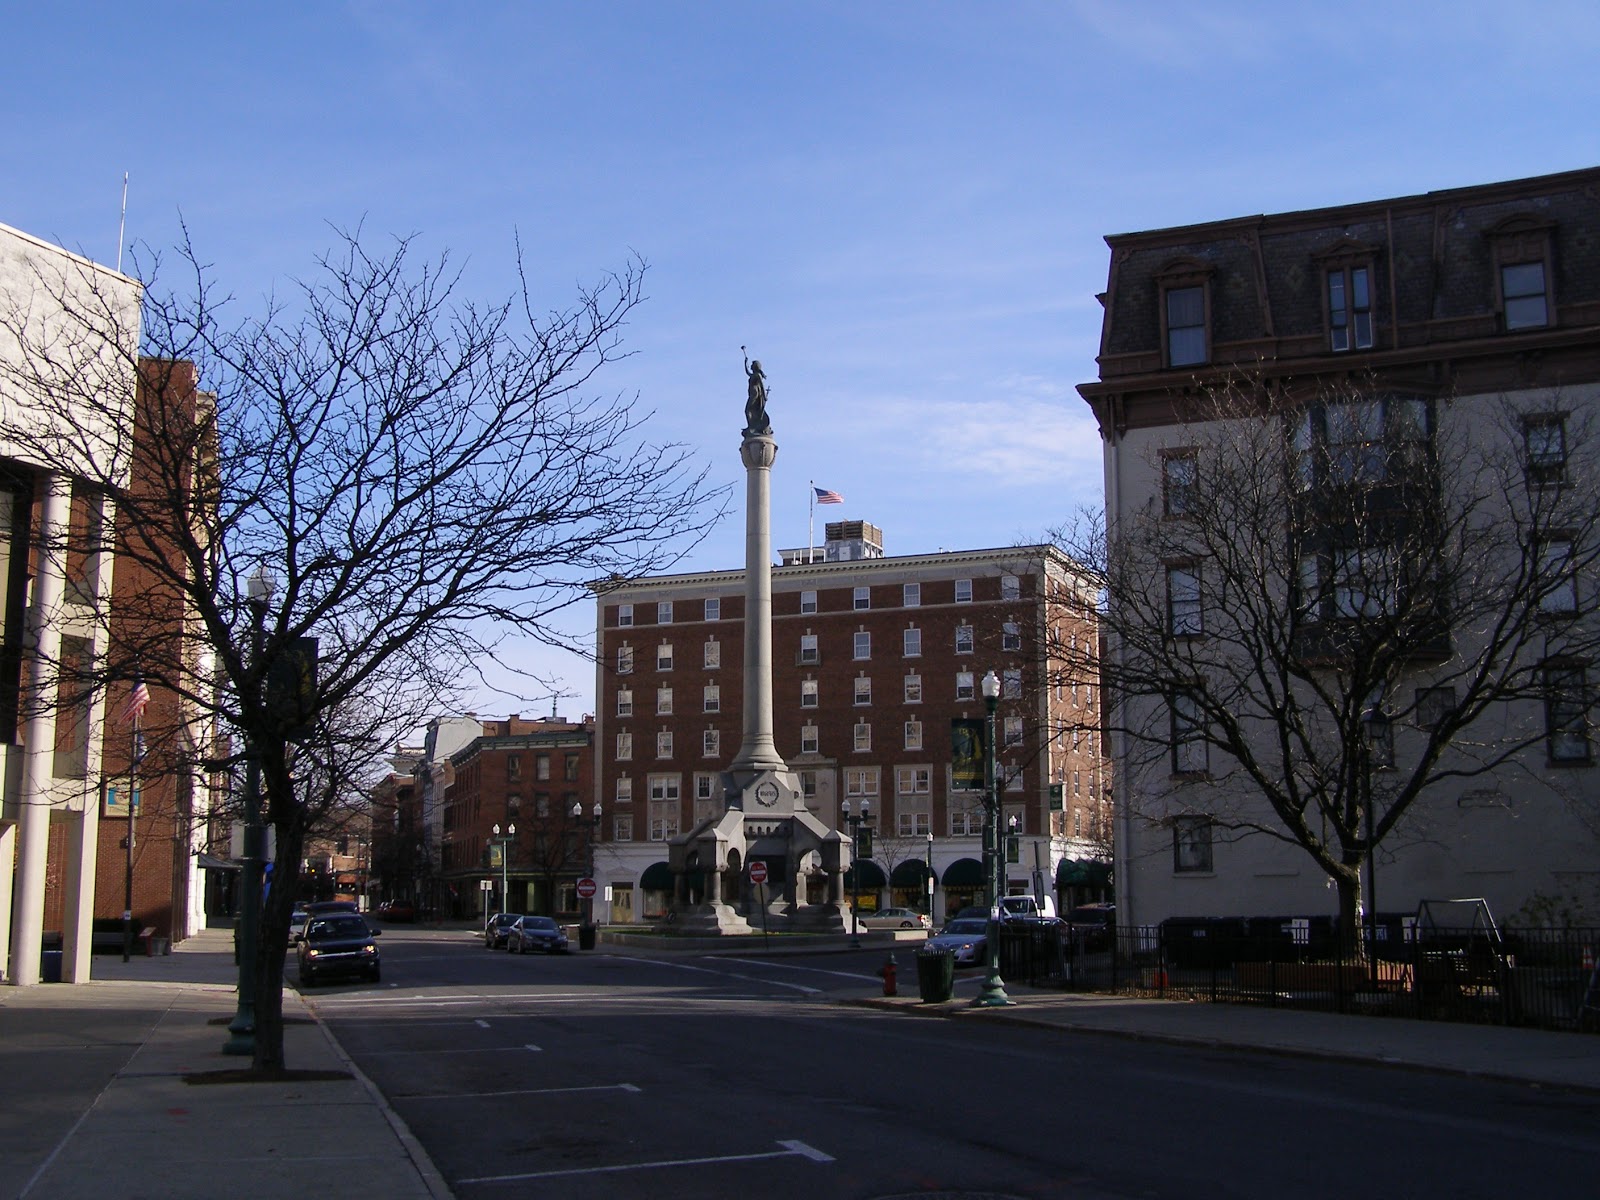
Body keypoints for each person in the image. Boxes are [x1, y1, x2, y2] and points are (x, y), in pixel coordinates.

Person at [742, 348, 771, 436]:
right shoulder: (754, 374)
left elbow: (761, 385)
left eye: (751, 364)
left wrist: (765, 396)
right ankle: (751, 426)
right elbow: (747, 372)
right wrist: (745, 363)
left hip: (755, 394)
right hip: (753, 394)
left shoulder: (757, 375)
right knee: (751, 410)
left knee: (748, 410)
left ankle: (751, 427)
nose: (750, 366)